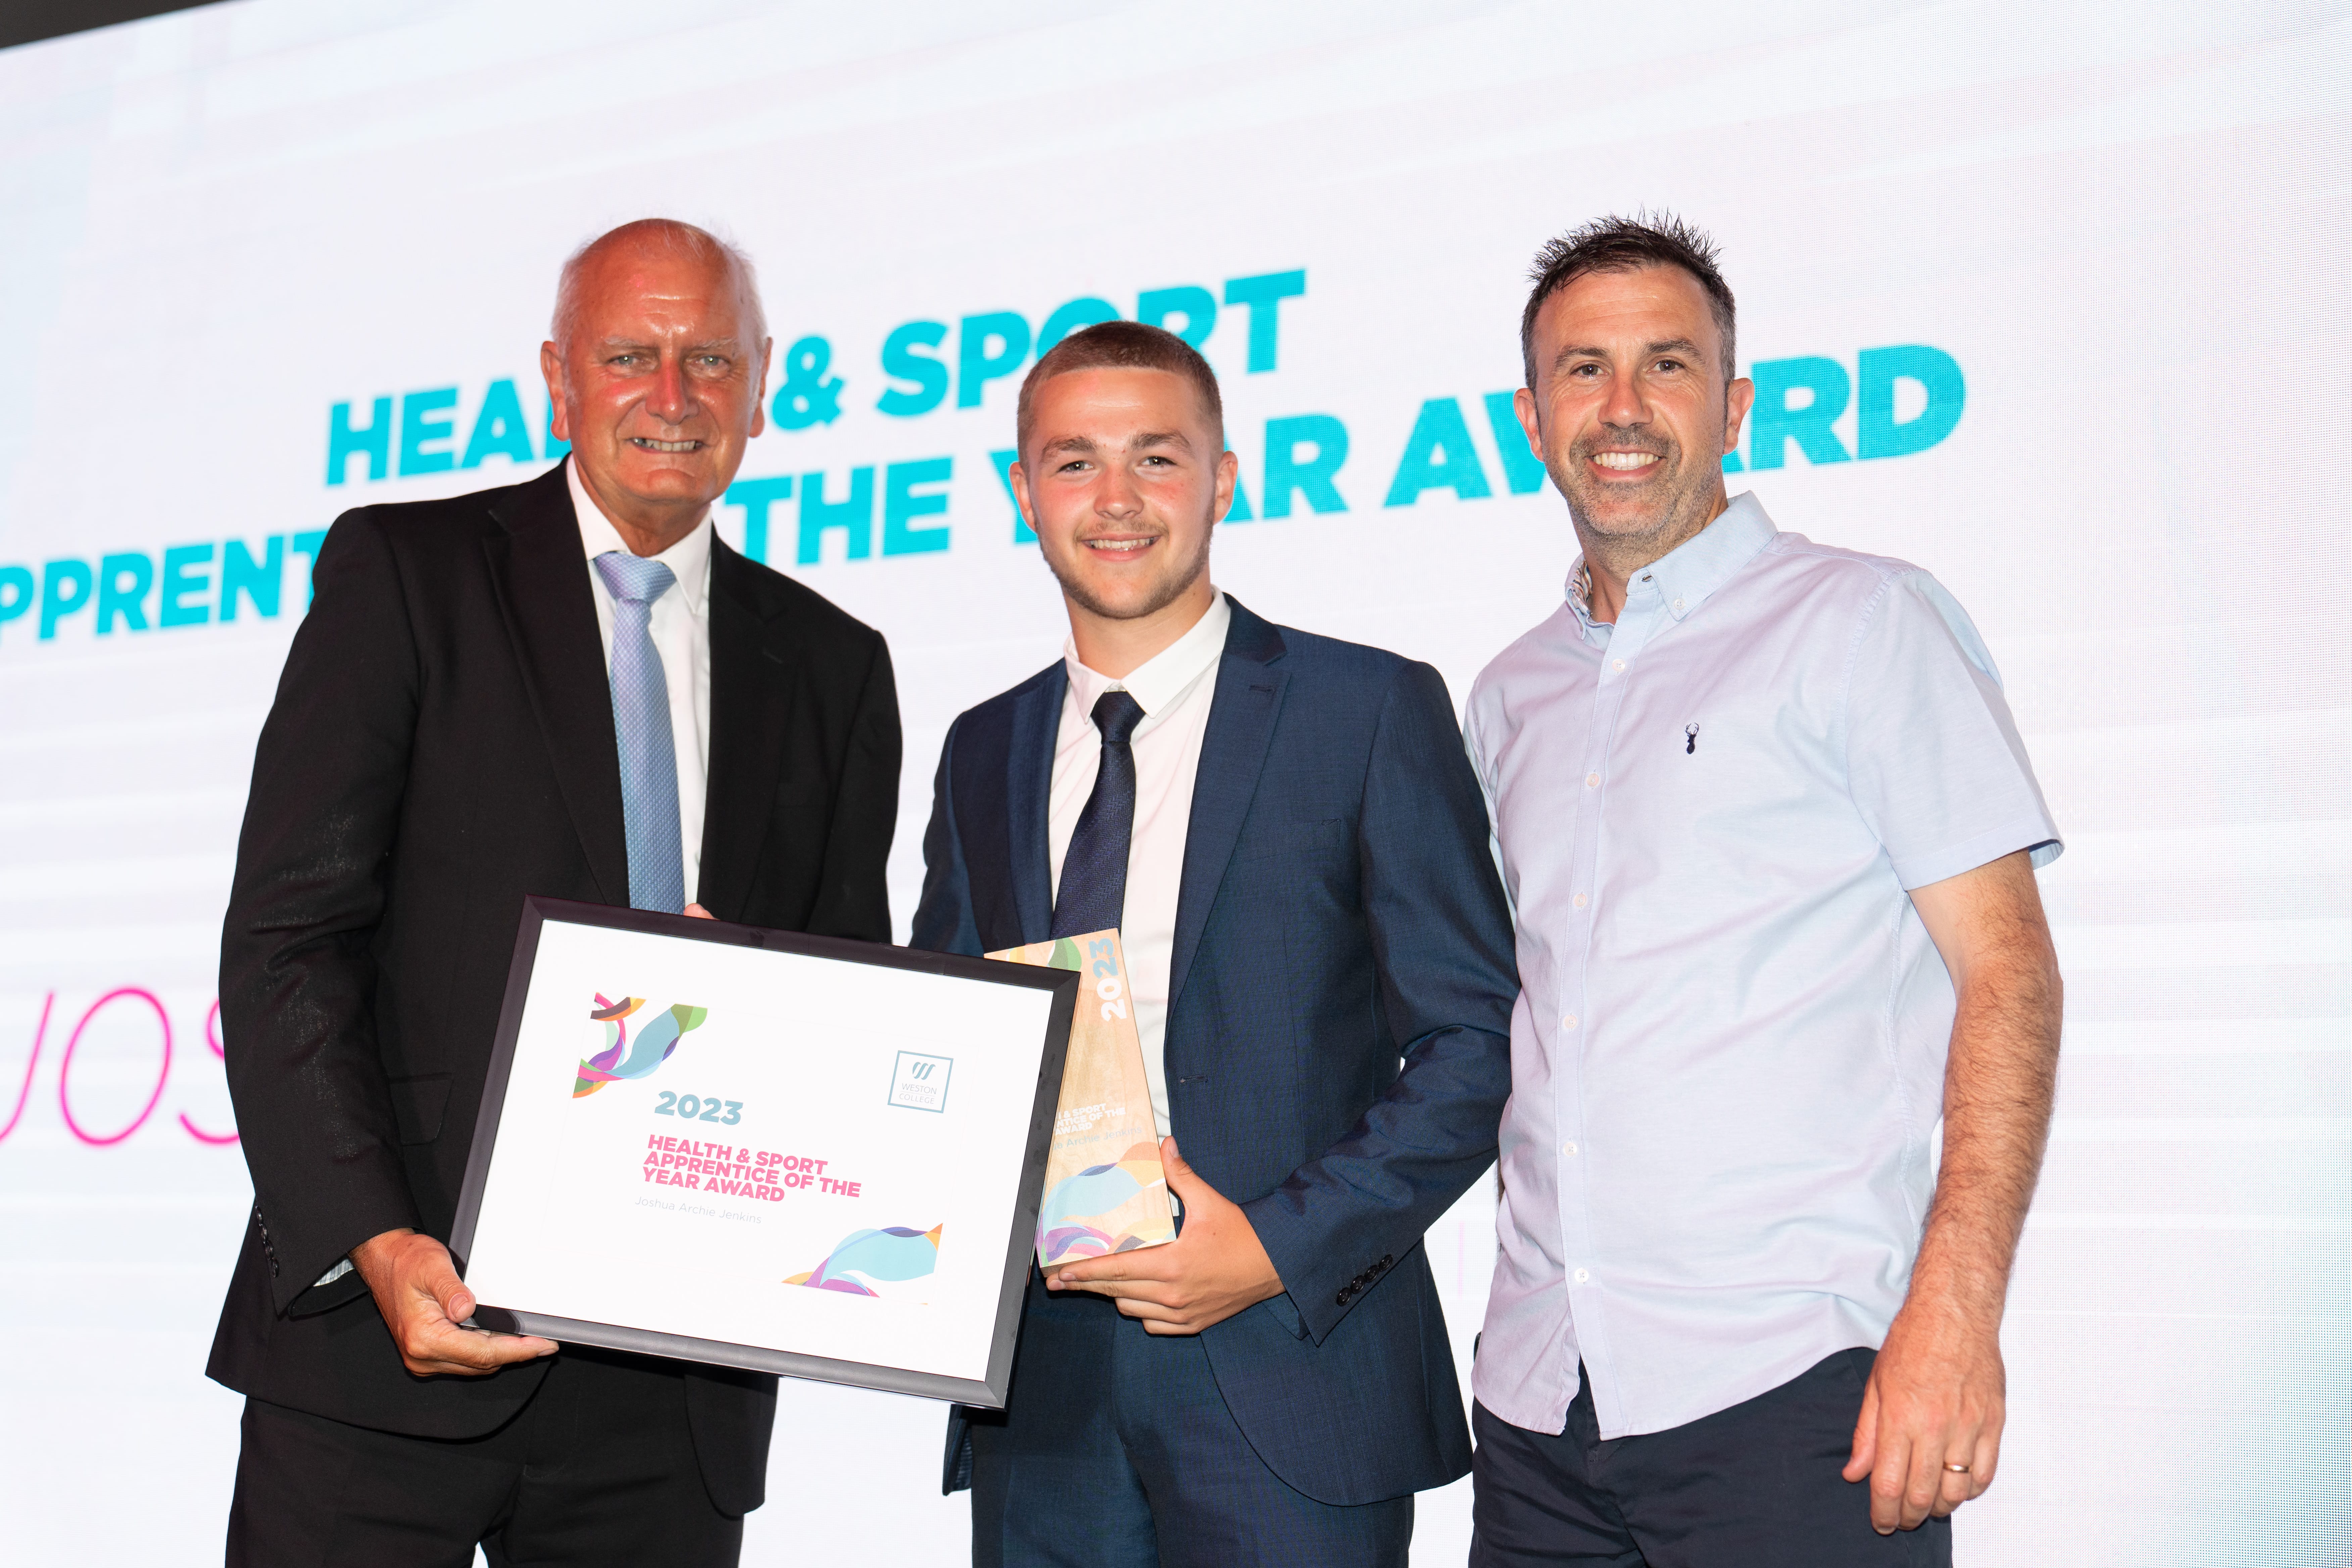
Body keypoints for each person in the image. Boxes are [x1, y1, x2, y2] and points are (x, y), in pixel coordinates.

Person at [207, 219, 901, 1565]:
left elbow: (844, 1009)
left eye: (710, 358)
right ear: (558, 377)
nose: (674, 395)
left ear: (764, 383)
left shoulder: (833, 665)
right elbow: (290, 937)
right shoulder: (405, 574)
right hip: (390, 1346)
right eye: (631, 355)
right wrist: (374, 1237)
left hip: (668, 1402)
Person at [1463, 212, 2064, 1566]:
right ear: (1528, 414)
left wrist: (1956, 1317)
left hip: (1793, 1393)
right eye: (1583, 370)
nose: (1622, 409)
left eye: (1666, 366)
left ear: (1734, 405)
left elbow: (2009, 973)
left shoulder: (1862, 621)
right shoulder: (1508, 695)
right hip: (1538, 1403)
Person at [911, 320, 1517, 1567]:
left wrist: (1270, 1248)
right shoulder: (983, 746)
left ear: (1226, 479)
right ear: (1022, 492)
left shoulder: (1366, 708)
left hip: (1293, 1376)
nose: (1117, 499)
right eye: (1074, 462)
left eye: (1158, 458)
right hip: (1046, 1400)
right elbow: (945, 1036)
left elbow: (1477, 1044)